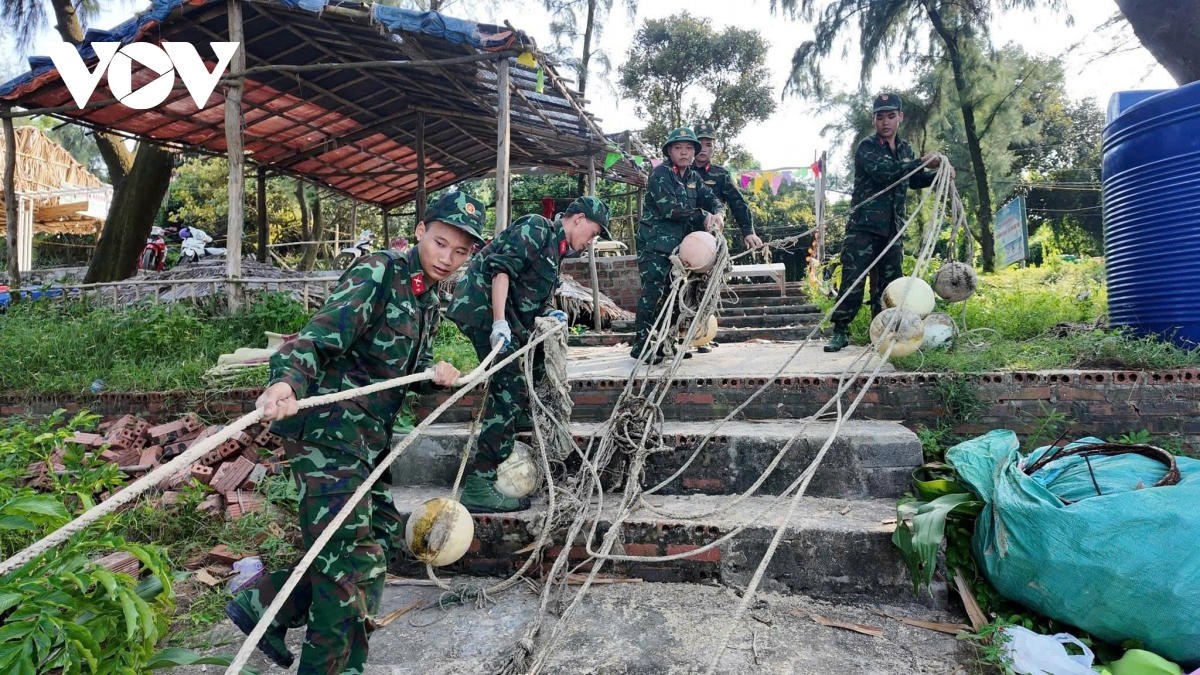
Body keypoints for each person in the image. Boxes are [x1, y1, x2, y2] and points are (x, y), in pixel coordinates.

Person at [226, 192, 487, 673]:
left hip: (365, 441)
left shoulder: (428, 296)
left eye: (460, 252)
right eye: (441, 243)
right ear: (421, 230)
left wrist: (436, 374)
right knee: (347, 567)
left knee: (380, 540)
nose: (447, 258)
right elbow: (318, 335)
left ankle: (267, 603)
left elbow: (400, 368)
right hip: (328, 436)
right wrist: (286, 381)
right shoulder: (380, 272)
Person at [446, 195, 612, 513]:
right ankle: (479, 485)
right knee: (508, 389)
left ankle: (520, 411)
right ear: (578, 219)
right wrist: (498, 322)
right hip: (482, 310)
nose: (591, 241)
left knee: (535, 361)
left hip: (510, 320)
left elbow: (539, 298)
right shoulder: (537, 228)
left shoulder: (556, 253)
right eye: (593, 232)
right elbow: (501, 272)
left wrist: (553, 314)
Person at [825, 93, 950, 353]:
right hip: (863, 228)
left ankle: (882, 333)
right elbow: (887, 174)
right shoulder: (867, 147)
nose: (886, 122)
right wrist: (922, 162)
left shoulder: (905, 150)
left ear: (900, 117)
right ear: (873, 120)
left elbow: (913, 180)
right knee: (853, 281)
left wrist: (939, 174)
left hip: (893, 229)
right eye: (880, 117)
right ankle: (840, 331)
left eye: (891, 116)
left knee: (890, 286)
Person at [633, 126, 725, 364]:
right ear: (669, 151)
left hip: (680, 249)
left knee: (675, 296)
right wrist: (703, 215)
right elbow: (669, 209)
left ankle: (668, 343)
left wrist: (718, 212)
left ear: (694, 152)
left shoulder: (693, 177)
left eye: (688, 148)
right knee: (653, 293)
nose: (684, 153)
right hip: (655, 245)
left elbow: (710, 197)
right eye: (678, 148)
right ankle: (641, 345)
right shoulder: (660, 174)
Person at [692, 122, 762, 353]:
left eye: (708, 144)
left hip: (712, 239)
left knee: (708, 286)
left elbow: (738, 203)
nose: (703, 148)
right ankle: (680, 335)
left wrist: (748, 231)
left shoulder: (720, 175)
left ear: (714, 148)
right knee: (681, 285)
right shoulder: (680, 170)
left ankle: (703, 334)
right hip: (685, 237)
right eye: (700, 143)